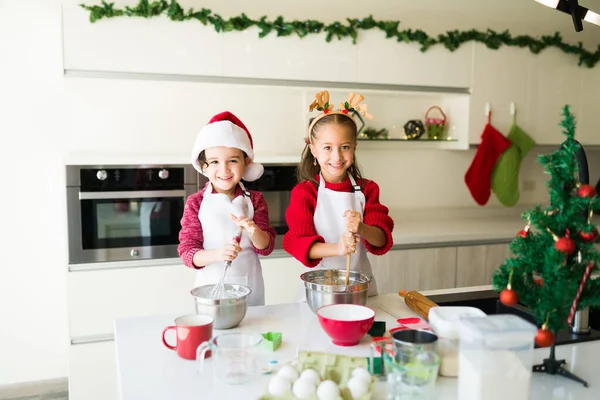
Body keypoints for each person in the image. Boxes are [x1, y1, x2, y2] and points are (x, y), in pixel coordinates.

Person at [283, 90, 394, 298]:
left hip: (361, 289)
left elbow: (381, 240)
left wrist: (361, 228)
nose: (337, 156)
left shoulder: (368, 190)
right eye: (327, 147)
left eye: (344, 147)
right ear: (313, 149)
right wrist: (338, 248)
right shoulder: (305, 193)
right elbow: (299, 244)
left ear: (354, 147)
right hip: (319, 291)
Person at [178, 111, 276, 306]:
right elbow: (188, 252)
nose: (224, 170)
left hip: (251, 289)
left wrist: (252, 229)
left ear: (246, 162)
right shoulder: (196, 202)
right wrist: (218, 254)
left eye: (232, 160)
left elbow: (267, 247)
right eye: (214, 162)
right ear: (203, 166)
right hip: (211, 291)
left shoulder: (255, 200)